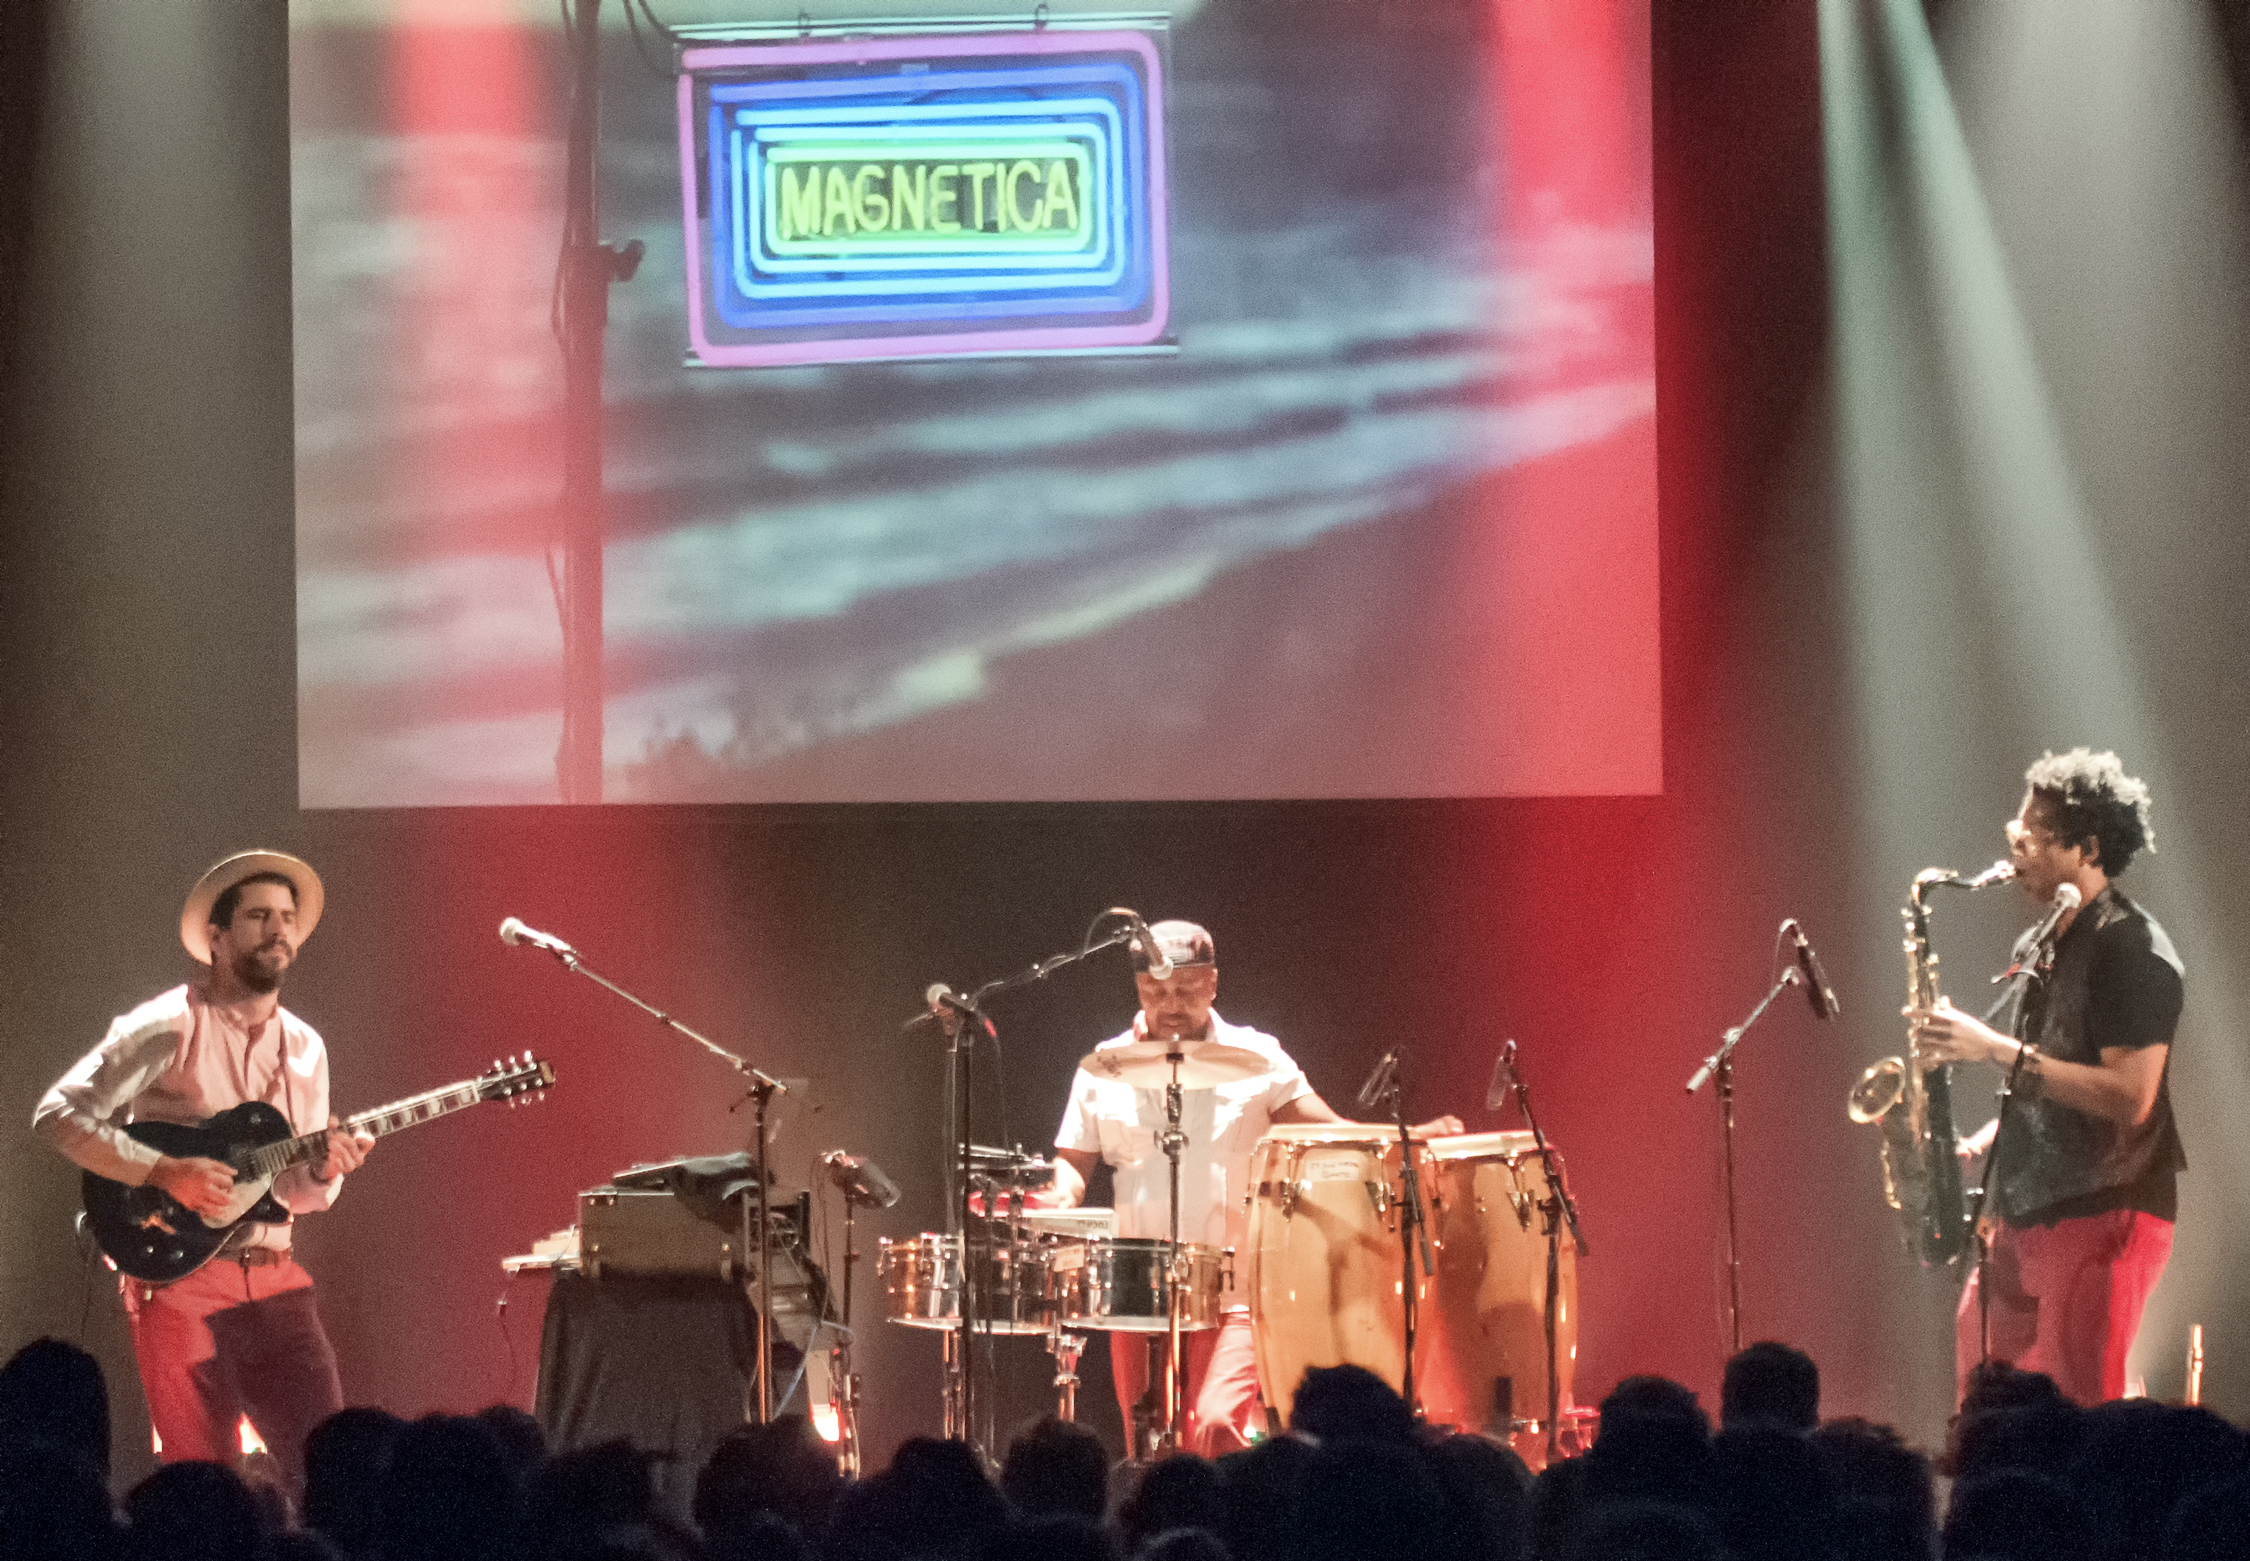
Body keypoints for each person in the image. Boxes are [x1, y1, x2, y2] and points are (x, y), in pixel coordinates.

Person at [1041, 919, 1459, 1456]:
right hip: (1140, 1295)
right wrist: (1058, 1194)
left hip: (1234, 1289)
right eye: (1156, 992)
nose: (1171, 1004)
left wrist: (1408, 1137)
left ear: (1213, 983)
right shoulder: (1105, 1066)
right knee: (1148, 1448)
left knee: (1213, 1428)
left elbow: (1325, 1131)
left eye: (1186, 991)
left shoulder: (1256, 1055)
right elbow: (1074, 1163)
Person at [33, 851, 374, 1490]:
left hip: (277, 1283)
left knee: (336, 1481)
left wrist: (327, 1169)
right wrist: (163, 1171)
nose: (279, 931)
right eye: (259, 917)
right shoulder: (165, 1024)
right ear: (215, 939)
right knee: (203, 1492)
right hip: (183, 1285)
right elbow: (57, 1114)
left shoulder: (307, 1047)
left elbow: (292, 1193)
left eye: (287, 918)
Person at [1910, 750, 2184, 1406]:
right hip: (2025, 1210)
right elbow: (2046, 1083)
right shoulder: (2038, 947)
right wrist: (1978, 1144)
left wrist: (1992, 1047)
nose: (2014, 850)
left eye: (2029, 838)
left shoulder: (2134, 947)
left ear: (2086, 847)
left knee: (2079, 1406)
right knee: (1985, 1401)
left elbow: (2129, 1096)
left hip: (2104, 1206)